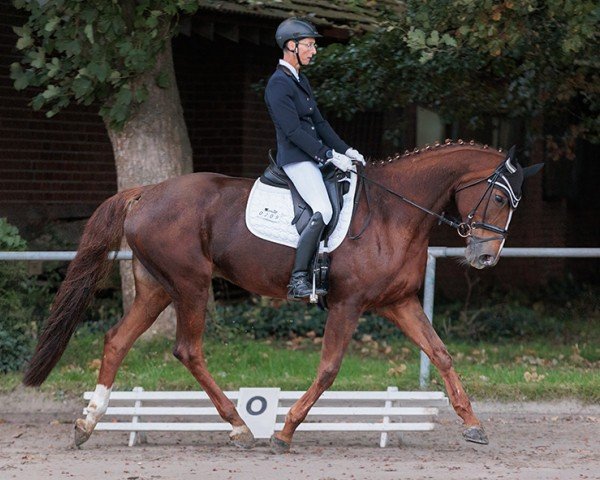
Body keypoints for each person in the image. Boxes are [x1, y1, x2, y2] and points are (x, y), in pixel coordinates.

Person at [264, 17, 366, 300]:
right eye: (309, 45)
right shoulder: (278, 84)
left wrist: (346, 150)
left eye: (312, 45)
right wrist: (328, 155)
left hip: (315, 157)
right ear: (291, 46)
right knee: (324, 209)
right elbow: (293, 130)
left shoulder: (300, 80)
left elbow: (319, 124)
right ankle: (298, 279)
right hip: (296, 159)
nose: (313, 50)